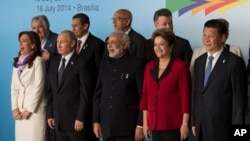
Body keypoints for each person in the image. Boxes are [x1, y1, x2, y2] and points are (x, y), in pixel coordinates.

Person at [191, 19, 248, 141]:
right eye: (204, 35)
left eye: (211, 36)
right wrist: (195, 121)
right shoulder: (199, 62)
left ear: (223, 38)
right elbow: (196, 93)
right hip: (201, 126)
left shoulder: (235, 62)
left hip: (224, 129)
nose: (206, 40)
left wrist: (238, 133)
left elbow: (239, 100)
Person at [140, 29, 191, 141]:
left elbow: (185, 97)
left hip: (174, 124)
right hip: (154, 124)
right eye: (155, 44)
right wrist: (145, 123)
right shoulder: (149, 67)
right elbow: (145, 96)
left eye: (162, 44)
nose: (157, 48)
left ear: (171, 46)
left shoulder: (180, 67)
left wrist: (185, 124)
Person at [93, 31, 144, 141]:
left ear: (125, 45)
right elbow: (98, 94)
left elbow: (143, 96)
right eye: (108, 43)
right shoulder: (103, 65)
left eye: (113, 42)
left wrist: (140, 124)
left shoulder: (137, 63)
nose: (109, 46)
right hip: (107, 126)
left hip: (129, 127)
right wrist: (96, 121)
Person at [46, 30, 90, 141]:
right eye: (57, 42)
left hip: (75, 122)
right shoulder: (54, 62)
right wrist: (50, 114)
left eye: (63, 42)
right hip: (58, 121)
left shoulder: (82, 62)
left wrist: (81, 117)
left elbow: (85, 93)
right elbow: (50, 92)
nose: (59, 45)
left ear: (72, 43)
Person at [71, 12, 105, 141]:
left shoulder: (97, 44)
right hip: (73, 100)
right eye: (72, 25)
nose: (73, 28)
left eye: (76, 25)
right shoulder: (71, 44)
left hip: (90, 101)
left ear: (85, 26)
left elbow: (98, 74)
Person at [11, 31, 46, 141]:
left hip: (34, 111)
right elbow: (14, 87)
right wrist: (15, 108)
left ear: (33, 45)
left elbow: (39, 86)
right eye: (20, 41)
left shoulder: (38, 61)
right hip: (20, 111)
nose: (20, 44)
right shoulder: (18, 63)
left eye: (24, 41)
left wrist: (30, 109)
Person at [31, 15, 58, 141]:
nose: (36, 31)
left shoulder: (58, 39)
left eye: (40, 27)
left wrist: (51, 57)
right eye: (33, 28)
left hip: (53, 90)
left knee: (51, 128)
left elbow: (68, 62)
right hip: (37, 91)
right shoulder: (31, 44)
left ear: (47, 26)